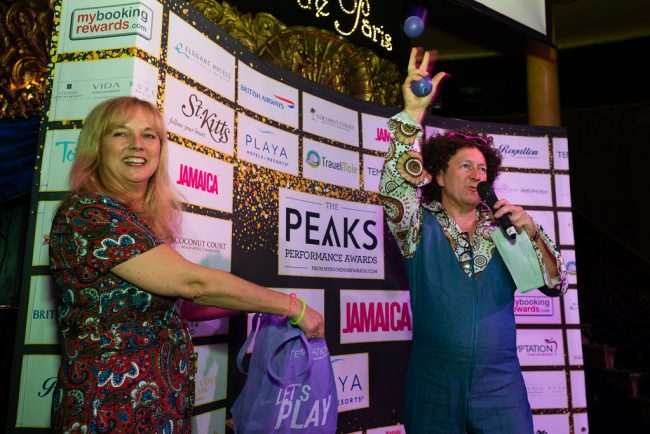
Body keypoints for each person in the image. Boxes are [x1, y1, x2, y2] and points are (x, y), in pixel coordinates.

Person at [48, 96, 324, 433]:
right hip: (109, 410)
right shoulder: (90, 215)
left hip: (159, 408)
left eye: (149, 135)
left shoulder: (134, 221)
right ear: (97, 146)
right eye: (120, 133)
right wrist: (290, 307)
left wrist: (255, 305)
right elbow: (194, 285)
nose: (137, 144)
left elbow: (180, 306)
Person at [379, 48, 567, 434]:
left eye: (482, 168)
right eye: (465, 166)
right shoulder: (416, 224)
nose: (476, 175)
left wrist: (532, 233)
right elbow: (394, 189)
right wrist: (412, 115)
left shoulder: (506, 224)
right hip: (432, 385)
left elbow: (555, 283)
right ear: (439, 176)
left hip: (500, 387)